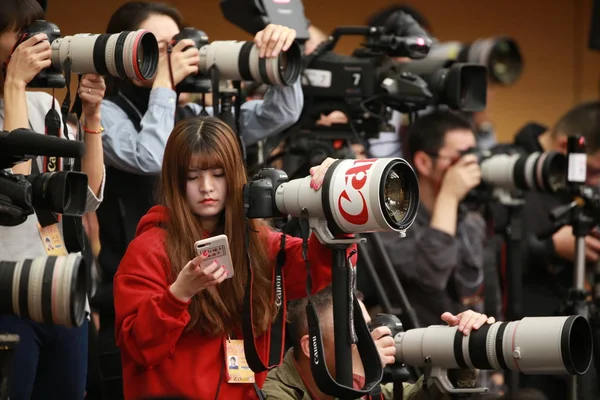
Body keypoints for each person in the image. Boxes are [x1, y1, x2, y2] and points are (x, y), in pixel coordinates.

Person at [113, 116, 352, 399]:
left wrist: (339, 198)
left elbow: (321, 267)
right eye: (192, 177)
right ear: (175, 182)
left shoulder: (258, 241)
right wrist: (178, 294)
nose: (206, 187)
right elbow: (138, 347)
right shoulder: (149, 249)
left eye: (218, 174)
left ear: (235, 175)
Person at [0, 1, 106, 399]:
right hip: (9, 295)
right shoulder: (21, 100)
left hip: (61, 290)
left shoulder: (45, 105)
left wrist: (92, 116)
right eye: (20, 32)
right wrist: (13, 86)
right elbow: (15, 196)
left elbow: (88, 197)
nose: (35, 39)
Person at [505, 102, 600, 400]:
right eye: (594, 170)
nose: (595, 184)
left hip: (572, 333)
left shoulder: (577, 180)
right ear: (565, 147)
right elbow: (488, 261)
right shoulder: (509, 171)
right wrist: (550, 248)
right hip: (520, 342)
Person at [263, 285, 494, 399]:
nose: (367, 340)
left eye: (367, 326)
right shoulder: (273, 393)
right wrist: (356, 381)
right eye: (354, 333)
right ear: (310, 347)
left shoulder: (370, 390)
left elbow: (423, 396)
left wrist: (462, 346)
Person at [377, 110, 487, 326]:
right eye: (460, 157)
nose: (470, 166)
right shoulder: (393, 221)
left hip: (468, 351)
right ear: (424, 162)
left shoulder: (472, 219)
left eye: (474, 155)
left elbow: (482, 294)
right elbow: (432, 275)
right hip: (418, 350)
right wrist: (449, 195)